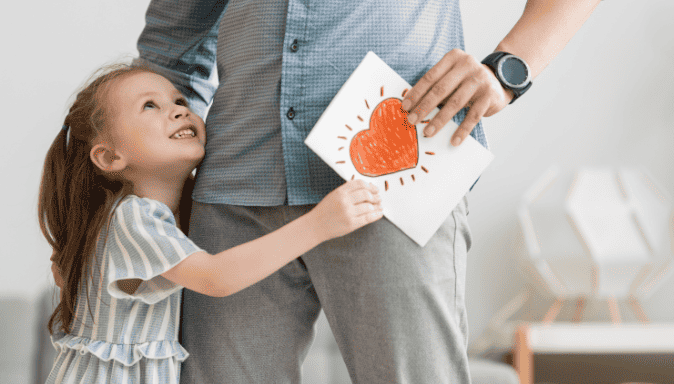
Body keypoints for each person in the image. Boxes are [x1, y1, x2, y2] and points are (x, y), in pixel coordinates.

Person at [135, 0, 601, 382]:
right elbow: (170, 48)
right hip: (235, 192)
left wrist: (506, 72)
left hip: (398, 186)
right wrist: (141, 216)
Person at [39, 62, 384, 383]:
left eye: (179, 100)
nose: (179, 109)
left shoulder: (153, 220)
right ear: (109, 157)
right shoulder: (132, 218)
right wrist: (319, 224)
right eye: (149, 106)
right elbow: (215, 277)